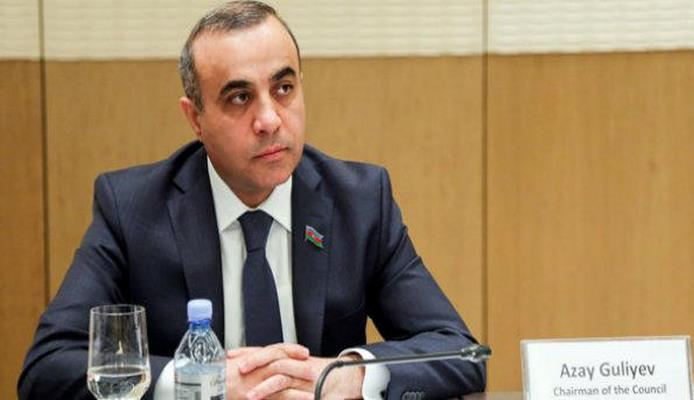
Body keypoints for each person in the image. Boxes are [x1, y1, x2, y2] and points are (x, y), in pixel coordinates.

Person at [18, 1, 486, 399]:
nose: (269, 120)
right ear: (195, 118)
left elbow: (461, 352)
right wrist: (199, 381)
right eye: (240, 98)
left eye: (284, 89)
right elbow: (49, 365)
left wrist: (351, 375)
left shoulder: (360, 202)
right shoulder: (133, 209)